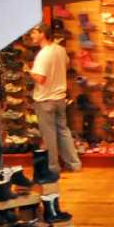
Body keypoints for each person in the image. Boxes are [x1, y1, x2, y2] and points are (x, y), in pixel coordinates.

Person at [29, 23, 81, 176]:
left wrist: (29, 71)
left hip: (45, 99)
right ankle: (74, 163)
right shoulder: (60, 50)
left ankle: (53, 167)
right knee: (63, 131)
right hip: (59, 97)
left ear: (42, 34)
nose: (31, 36)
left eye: (33, 33)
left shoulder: (43, 54)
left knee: (49, 134)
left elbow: (41, 78)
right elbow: (65, 65)